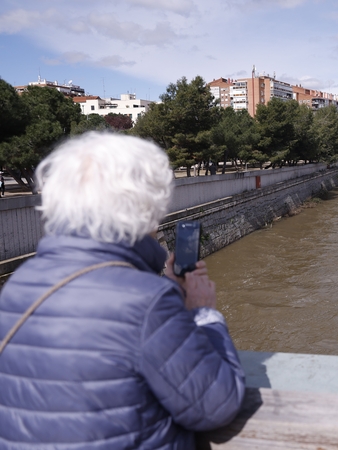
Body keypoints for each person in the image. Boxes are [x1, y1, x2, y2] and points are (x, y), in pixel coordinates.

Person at [0, 132, 245, 449]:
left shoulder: (18, 284)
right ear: (144, 209)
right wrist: (203, 313)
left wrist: (163, 295)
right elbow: (216, 404)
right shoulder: (148, 301)